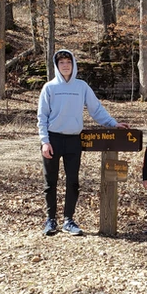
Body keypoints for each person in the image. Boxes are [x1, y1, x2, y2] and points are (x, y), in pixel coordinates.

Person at [37, 49, 129, 236]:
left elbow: (96, 109)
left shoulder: (81, 87)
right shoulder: (49, 87)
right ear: (56, 66)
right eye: (61, 62)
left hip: (73, 140)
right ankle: (50, 220)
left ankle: (68, 220)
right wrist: (44, 141)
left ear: (73, 64)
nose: (65, 65)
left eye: (68, 62)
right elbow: (42, 116)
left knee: (73, 182)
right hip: (53, 139)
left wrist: (113, 123)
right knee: (50, 182)